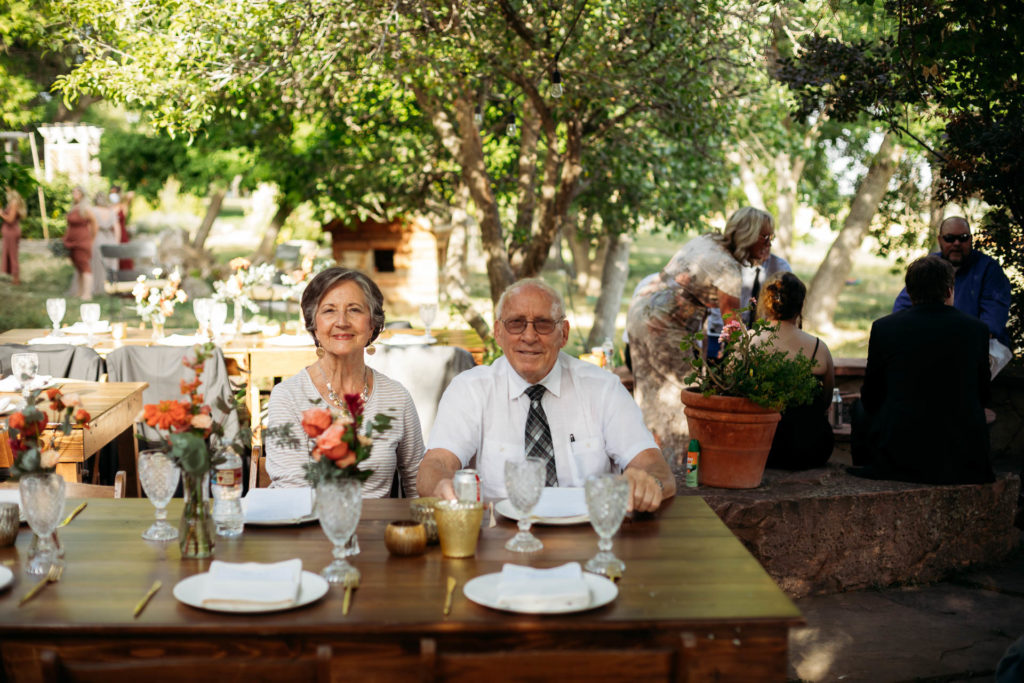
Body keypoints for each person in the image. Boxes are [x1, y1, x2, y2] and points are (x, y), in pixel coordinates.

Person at [418, 279, 675, 513]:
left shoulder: (604, 388)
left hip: (589, 537)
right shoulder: (470, 390)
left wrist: (648, 484)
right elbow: (436, 463)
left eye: (543, 324)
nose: (529, 336)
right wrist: (441, 485)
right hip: (499, 539)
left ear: (563, 333)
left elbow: (655, 467)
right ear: (498, 332)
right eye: (516, 323)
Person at [625, 206, 774, 461]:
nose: (770, 243)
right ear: (749, 235)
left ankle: (645, 463)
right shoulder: (728, 270)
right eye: (766, 237)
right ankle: (678, 472)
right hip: (663, 325)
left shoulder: (707, 240)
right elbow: (733, 327)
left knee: (649, 396)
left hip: (641, 310)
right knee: (681, 400)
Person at [265, 267, 424, 496]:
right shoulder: (287, 397)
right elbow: (291, 493)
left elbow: (416, 484)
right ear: (314, 325)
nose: (342, 321)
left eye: (354, 310)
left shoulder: (396, 397)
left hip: (378, 529)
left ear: (372, 324)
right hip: (310, 528)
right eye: (329, 311)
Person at [852, 255, 993, 485]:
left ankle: (868, 468)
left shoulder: (884, 328)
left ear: (909, 292)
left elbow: (871, 397)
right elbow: (984, 395)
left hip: (901, 452)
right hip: (961, 457)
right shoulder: (976, 330)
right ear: (949, 290)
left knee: (858, 408)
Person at [893, 216, 1013, 377]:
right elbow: (901, 311)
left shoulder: (989, 270)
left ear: (970, 239)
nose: (956, 243)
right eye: (950, 238)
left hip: (979, 343)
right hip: (930, 340)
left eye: (963, 238)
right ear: (940, 240)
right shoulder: (928, 266)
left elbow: (990, 325)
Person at [752, 272, 835, 470]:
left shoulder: (748, 343)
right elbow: (826, 399)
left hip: (761, 446)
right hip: (812, 447)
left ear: (765, 303)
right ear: (800, 306)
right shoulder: (818, 348)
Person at [705, 252, 791, 360]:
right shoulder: (729, 262)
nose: (768, 243)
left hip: (761, 336)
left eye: (770, 237)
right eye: (763, 237)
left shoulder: (781, 266)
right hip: (721, 331)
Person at [63, 187, 97, 299]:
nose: (74, 194)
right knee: (78, 267)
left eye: (77, 192)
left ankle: (87, 294)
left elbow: (94, 224)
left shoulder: (86, 208)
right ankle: (79, 291)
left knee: (84, 265)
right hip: (71, 241)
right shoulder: (73, 208)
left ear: (82, 194)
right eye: (73, 192)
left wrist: (92, 239)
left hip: (82, 241)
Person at [89, 191, 119, 296]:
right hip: (111, 239)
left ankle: (98, 288)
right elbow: (116, 228)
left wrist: (91, 240)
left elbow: (94, 227)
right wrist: (117, 242)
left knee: (98, 264)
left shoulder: (93, 210)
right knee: (111, 263)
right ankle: (112, 287)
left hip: (98, 238)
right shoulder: (111, 211)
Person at [1, 189, 27, 285]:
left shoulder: (13, 203)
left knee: (12, 255)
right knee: (11, 255)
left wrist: (1, 214)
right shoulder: (14, 203)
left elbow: (10, 220)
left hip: (11, 232)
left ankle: (16, 279)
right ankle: (14, 278)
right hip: (10, 232)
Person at [110, 185, 135, 271]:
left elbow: (131, 195)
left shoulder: (123, 206)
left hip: (122, 235)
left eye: (115, 193)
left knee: (124, 255)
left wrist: (123, 196)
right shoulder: (109, 207)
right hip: (111, 235)